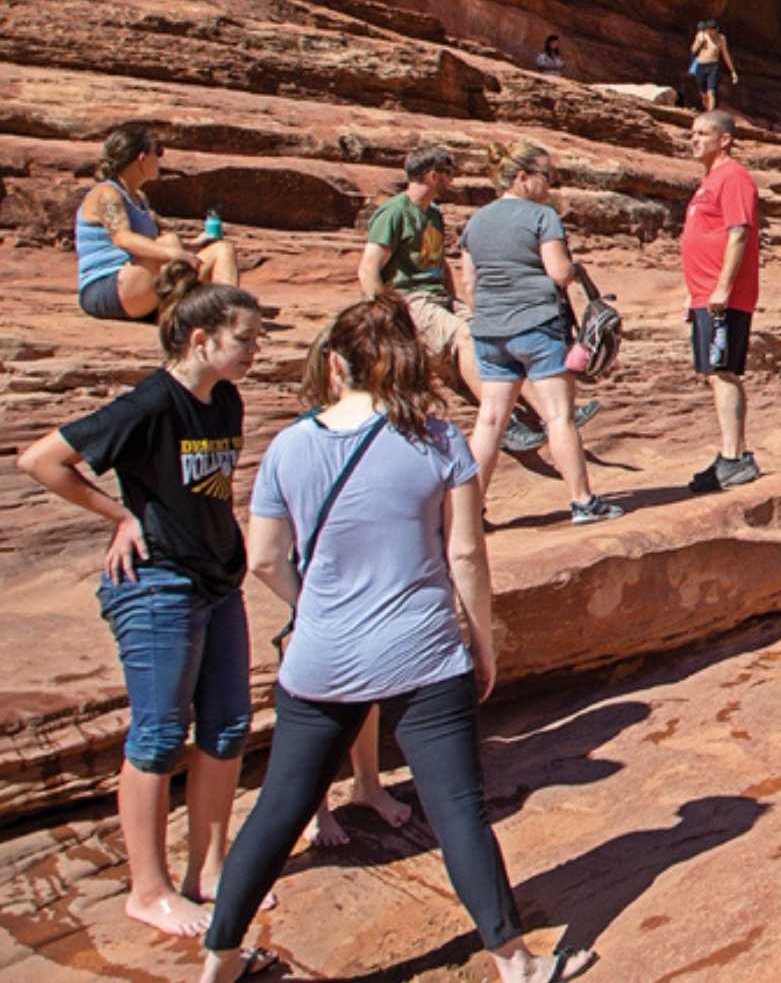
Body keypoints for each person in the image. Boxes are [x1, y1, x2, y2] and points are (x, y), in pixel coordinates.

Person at [196, 296, 591, 983]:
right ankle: (516, 963)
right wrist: (484, 640)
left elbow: (263, 557)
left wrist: (313, 605)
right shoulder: (441, 443)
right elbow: (465, 554)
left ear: (339, 364)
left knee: (277, 811)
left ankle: (219, 963)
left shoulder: (290, 445)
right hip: (423, 653)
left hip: (323, 659)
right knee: (459, 810)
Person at [16, 266, 263, 939]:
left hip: (216, 580)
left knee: (227, 726)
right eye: (246, 338)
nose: (256, 350)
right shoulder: (149, 404)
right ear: (202, 338)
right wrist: (119, 514)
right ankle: (146, 890)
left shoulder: (226, 402)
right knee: (157, 735)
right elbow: (40, 459)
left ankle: (207, 871)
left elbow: (209, 490)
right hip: (159, 584)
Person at [358, 148, 594, 456]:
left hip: (438, 297)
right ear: (432, 175)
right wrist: (385, 316)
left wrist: (455, 300)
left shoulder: (432, 214)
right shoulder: (395, 212)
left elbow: (441, 264)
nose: (453, 181)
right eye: (448, 174)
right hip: (408, 299)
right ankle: (505, 423)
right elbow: (368, 267)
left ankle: (553, 416)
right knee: (467, 337)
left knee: (492, 334)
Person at [457, 142, 622, 525]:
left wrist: (491, 315)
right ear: (522, 177)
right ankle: (582, 502)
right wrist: (576, 267)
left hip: (489, 332)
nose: (550, 186)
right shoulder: (541, 216)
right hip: (537, 326)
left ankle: (470, 511)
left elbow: (469, 284)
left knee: (490, 420)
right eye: (547, 177)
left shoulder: (476, 222)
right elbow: (558, 273)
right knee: (558, 417)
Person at [76, 124, 240, 324]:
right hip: (106, 289)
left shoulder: (139, 199)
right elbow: (123, 238)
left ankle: (230, 317)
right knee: (168, 241)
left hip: (141, 286)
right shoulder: (106, 193)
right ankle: (187, 310)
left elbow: (152, 245)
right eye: (158, 152)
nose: (161, 159)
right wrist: (175, 253)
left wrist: (195, 244)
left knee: (222, 250)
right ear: (142, 158)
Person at [682, 111, 763, 492]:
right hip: (705, 296)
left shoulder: (733, 178)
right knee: (714, 373)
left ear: (725, 139)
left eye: (702, 133)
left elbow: (738, 234)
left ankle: (734, 458)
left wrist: (722, 289)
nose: (693, 139)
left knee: (723, 370)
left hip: (722, 298)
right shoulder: (709, 181)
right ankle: (731, 455)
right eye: (692, 133)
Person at [687, 20, 738, 112]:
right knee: (703, 94)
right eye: (708, 30)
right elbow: (693, 50)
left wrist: (733, 71)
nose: (710, 32)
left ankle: (710, 114)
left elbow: (725, 55)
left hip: (713, 66)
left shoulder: (721, 38)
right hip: (701, 65)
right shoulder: (701, 35)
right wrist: (699, 43)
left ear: (716, 30)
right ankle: (707, 110)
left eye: (711, 30)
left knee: (711, 92)